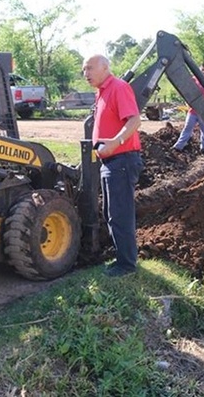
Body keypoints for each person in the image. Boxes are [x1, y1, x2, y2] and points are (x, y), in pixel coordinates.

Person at [82, 54, 144, 277]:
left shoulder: (118, 88)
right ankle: (122, 258)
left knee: (120, 214)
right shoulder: (102, 93)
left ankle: (127, 265)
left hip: (122, 161)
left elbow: (134, 120)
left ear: (105, 67)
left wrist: (115, 142)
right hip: (112, 162)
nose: (85, 73)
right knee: (112, 213)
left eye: (89, 68)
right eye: (84, 70)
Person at [172, 63, 204, 155]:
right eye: (202, 70)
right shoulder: (194, 80)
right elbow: (185, 90)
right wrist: (187, 101)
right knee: (187, 128)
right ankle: (178, 147)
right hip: (193, 110)